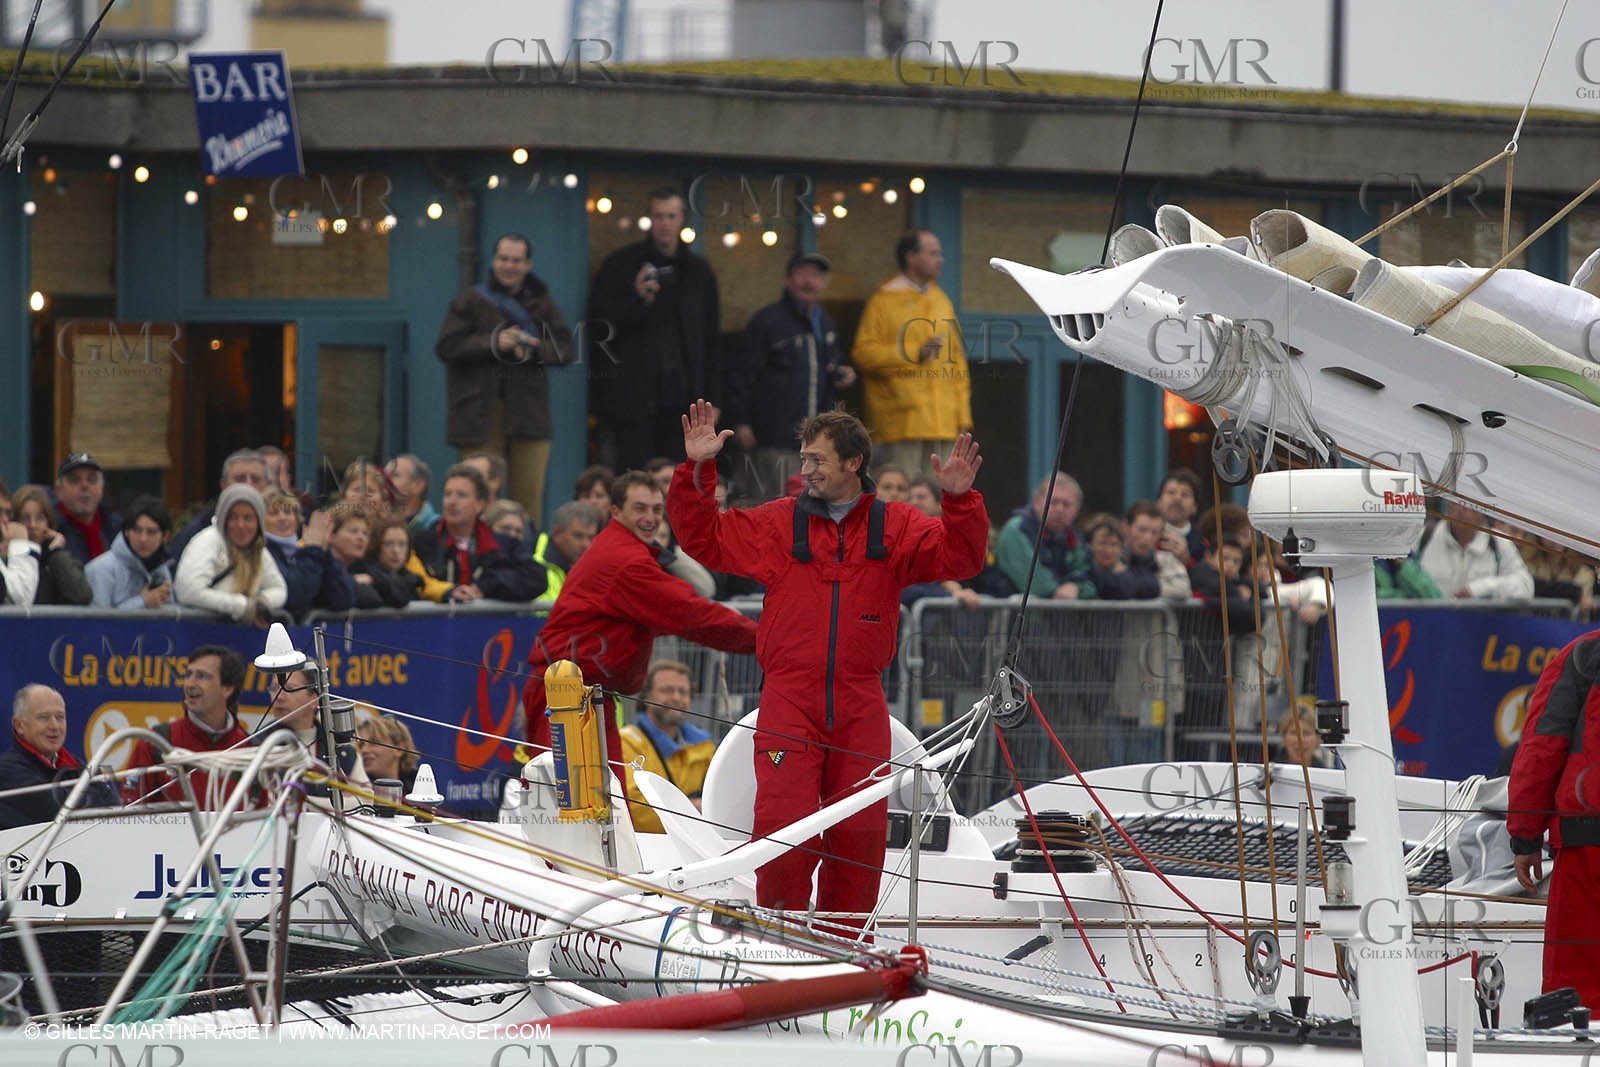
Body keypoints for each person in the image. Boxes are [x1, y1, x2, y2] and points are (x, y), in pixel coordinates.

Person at [669, 401, 988, 925]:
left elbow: (963, 558)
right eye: (803, 458)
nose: (806, 470)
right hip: (788, 698)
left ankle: (845, 944)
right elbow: (704, 538)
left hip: (861, 700)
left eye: (817, 460)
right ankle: (778, 933)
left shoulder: (896, 525)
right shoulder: (778, 522)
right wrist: (699, 470)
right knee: (782, 825)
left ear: (853, 463)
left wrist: (959, 500)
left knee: (859, 834)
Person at [521, 471, 758, 770]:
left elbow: (670, 611)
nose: (650, 518)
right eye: (640, 508)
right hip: (566, 697)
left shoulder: (623, 550)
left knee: (599, 801)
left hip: (579, 693)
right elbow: (686, 611)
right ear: (616, 511)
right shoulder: (626, 561)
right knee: (573, 801)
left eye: (657, 510)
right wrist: (763, 639)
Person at [437, 233, 572, 519]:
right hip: (479, 417)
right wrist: (493, 343)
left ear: (527, 264)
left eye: (516, 260)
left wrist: (533, 350)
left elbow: (566, 350)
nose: (509, 266)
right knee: (475, 501)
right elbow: (447, 346)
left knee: (528, 506)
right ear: (494, 260)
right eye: (503, 259)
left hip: (529, 417)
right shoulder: (470, 300)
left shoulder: (542, 304)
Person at [587, 189, 722, 472]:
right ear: (650, 218)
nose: (665, 223)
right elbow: (599, 327)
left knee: (677, 479)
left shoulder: (698, 272)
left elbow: (710, 342)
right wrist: (637, 300)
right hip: (632, 400)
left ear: (682, 219)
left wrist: (713, 400)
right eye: (659, 215)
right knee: (633, 478)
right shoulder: (622, 265)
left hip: (683, 401)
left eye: (671, 216)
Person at [1509, 630, 1600, 1012]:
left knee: (1578, 995)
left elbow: (1542, 750)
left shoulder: (1582, 656)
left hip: (1588, 846)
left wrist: (1525, 838)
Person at [726, 251, 856, 501]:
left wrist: (842, 376)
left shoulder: (825, 323)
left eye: (816, 276)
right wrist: (741, 421)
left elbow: (831, 368)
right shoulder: (768, 322)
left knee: (810, 509)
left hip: (816, 442)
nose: (809, 281)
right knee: (770, 507)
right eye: (802, 274)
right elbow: (741, 374)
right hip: (774, 437)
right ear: (788, 280)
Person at [850, 229, 972, 475]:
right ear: (911, 257)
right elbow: (863, 353)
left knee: (939, 499)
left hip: (944, 423)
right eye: (933, 253)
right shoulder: (883, 301)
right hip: (902, 421)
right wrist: (914, 352)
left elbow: (957, 363)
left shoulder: (942, 300)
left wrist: (962, 417)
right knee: (900, 498)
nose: (941, 259)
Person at [124, 645, 252, 807]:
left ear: (227, 689)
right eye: (188, 674)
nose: (190, 684)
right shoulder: (155, 744)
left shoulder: (251, 750)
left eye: (202, 676)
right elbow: (129, 816)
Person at [410, 464, 548, 603]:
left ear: (480, 504)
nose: (452, 502)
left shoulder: (504, 545)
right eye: (448, 494)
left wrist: (485, 587)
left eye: (461, 495)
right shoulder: (423, 541)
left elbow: (537, 579)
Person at [0, 684, 118, 829]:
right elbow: (57, 809)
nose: (54, 726)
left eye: (60, 717)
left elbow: (115, 813)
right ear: (19, 725)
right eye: (44, 717)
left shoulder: (79, 766)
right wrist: (96, 797)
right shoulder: (6, 770)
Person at [618, 660, 716, 834]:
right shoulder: (627, 742)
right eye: (667, 690)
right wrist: (693, 809)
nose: (677, 698)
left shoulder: (704, 747)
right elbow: (635, 808)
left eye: (683, 692)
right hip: (650, 850)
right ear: (646, 697)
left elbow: (719, 796)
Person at [174, 484, 289, 626]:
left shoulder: (258, 549)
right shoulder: (208, 541)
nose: (241, 525)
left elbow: (279, 589)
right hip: (198, 632)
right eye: (233, 517)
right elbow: (188, 590)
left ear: (258, 523)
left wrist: (261, 602)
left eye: (248, 518)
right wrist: (242, 606)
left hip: (236, 635)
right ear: (223, 519)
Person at [252, 667, 367, 786]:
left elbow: (366, 800)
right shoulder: (258, 745)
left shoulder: (342, 751)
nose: (279, 697)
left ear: (314, 699)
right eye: (274, 689)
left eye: (289, 689)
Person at [996, 473, 1096, 600]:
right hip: (1019, 617)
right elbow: (1037, 585)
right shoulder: (1016, 530)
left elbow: (1090, 581)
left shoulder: (1074, 537)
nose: (1060, 509)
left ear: (1077, 510)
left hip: (1058, 618)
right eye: (1053, 502)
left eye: (1066, 504)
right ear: (1036, 502)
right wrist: (1064, 591)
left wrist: (1077, 588)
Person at [263, 489, 356, 620]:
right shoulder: (262, 552)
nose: (282, 518)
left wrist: (324, 553)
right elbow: (296, 596)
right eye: (273, 513)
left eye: (288, 512)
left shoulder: (308, 549)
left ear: (297, 519)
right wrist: (313, 550)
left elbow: (344, 599)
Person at [1418, 499, 1534, 600]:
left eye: (1468, 501)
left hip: (1481, 624)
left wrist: (1481, 588)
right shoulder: (1423, 536)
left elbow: (1525, 586)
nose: (1461, 507)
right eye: (1455, 498)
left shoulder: (1500, 543)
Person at [169, 449, 271, 561]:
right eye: (240, 478)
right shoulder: (197, 531)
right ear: (223, 485)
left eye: (256, 479)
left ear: (268, 485)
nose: (248, 485)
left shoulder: (283, 527)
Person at [86, 495, 175, 609]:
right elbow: (96, 622)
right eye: (137, 530)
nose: (143, 538)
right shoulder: (101, 569)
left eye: (151, 532)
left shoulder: (162, 568)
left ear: (165, 536)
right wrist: (143, 602)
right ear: (126, 532)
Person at [11, 485, 93, 605]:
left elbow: (82, 597)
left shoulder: (59, 560)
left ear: (49, 523)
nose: (32, 525)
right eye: (25, 518)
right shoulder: (5, 559)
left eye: (39, 518)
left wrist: (56, 552)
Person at [52, 452, 119, 564]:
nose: (84, 486)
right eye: (75, 480)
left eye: (92, 479)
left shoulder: (116, 528)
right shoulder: (51, 529)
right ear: (58, 490)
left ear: (101, 488)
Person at [532, 501, 601, 600]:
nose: (586, 544)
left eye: (591, 537)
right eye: (578, 536)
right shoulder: (532, 559)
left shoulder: (593, 567)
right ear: (557, 533)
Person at [1125, 500, 1190, 601]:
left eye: (1155, 532)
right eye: (1142, 530)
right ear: (1126, 527)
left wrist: (1147, 587)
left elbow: (1183, 589)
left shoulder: (1166, 559)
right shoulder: (1113, 556)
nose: (1147, 538)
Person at [354, 516, 424, 607]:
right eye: (388, 544)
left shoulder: (413, 579)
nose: (396, 551)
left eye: (402, 544)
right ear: (376, 546)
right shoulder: (364, 572)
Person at [1085, 515, 1159, 600]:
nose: (1108, 550)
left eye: (1114, 544)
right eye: (1102, 543)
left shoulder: (1130, 569)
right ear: (1089, 545)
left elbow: (1153, 587)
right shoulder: (1081, 572)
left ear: (1121, 548)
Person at [357, 714, 420, 795]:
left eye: (373, 742)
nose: (364, 750)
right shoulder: (351, 794)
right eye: (361, 745)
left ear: (399, 749)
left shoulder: (422, 796)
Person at [1156, 468, 1206, 568]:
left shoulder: (1204, 545)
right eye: (1171, 492)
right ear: (1159, 502)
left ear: (1195, 507)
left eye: (1185, 494)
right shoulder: (1145, 534)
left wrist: (1187, 561)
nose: (1177, 498)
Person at [0, 483, 40, 606]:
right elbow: (22, 600)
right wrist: (20, 543)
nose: (5, 520)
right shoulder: (18, 543)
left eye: (7, 513)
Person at [386, 453, 439, 533]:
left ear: (418, 486)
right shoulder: (375, 525)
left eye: (395, 475)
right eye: (384, 475)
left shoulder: (437, 529)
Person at [1276, 704, 1334, 769]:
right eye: (1294, 733)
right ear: (1284, 736)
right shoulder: (1269, 775)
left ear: (1318, 738)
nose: (1301, 739)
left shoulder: (1327, 775)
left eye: (1306, 733)